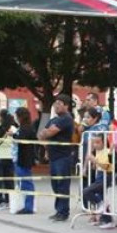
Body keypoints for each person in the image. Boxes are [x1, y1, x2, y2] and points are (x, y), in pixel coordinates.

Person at [38, 94, 76, 222]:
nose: (57, 105)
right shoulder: (54, 119)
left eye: (60, 103)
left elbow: (49, 132)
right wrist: (46, 135)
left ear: (66, 106)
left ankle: (63, 212)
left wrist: (47, 132)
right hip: (53, 156)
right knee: (55, 185)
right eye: (56, 103)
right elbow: (41, 134)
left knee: (62, 185)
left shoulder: (66, 118)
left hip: (63, 157)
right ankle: (58, 210)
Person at [13, 107, 37, 214]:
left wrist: (14, 136)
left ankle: (29, 206)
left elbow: (22, 140)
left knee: (26, 182)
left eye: (16, 116)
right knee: (23, 181)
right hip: (22, 157)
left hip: (24, 158)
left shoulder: (26, 128)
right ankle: (26, 204)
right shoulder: (24, 127)